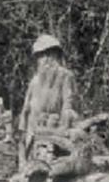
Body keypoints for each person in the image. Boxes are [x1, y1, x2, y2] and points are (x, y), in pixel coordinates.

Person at [17, 34, 79, 165]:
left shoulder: (65, 76)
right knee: (29, 166)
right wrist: (22, 130)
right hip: (33, 128)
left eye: (48, 54)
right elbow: (26, 107)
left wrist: (64, 126)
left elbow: (69, 102)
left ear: (55, 55)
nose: (45, 60)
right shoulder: (35, 80)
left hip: (53, 129)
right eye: (41, 56)